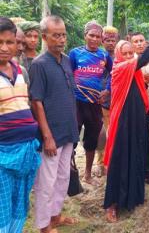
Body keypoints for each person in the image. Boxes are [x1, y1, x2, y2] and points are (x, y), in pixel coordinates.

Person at [102, 21, 149, 223]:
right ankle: (112, 205)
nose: (130, 56)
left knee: (135, 157)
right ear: (118, 55)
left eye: (132, 53)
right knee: (119, 160)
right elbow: (145, 57)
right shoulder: (119, 68)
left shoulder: (135, 72)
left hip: (137, 121)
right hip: (122, 123)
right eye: (126, 53)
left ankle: (131, 198)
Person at [30, 15, 80, 233]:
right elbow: (36, 102)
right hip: (51, 134)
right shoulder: (39, 65)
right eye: (56, 35)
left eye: (63, 35)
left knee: (63, 177)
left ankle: (56, 216)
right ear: (44, 37)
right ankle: (43, 226)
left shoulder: (67, 60)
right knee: (46, 182)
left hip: (68, 129)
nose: (61, 40)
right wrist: (47, 136)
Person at [0, 17, 41, 233]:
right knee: (2, 208)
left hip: (26, 149)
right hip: (3, 154)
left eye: (9, 42)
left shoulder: (20, 71)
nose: (4, 48)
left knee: (20, 204)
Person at [69, 20, 113, 186]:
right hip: (76, 103)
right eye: (91, 35)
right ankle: (71, 175)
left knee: (92, 140)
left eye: (97, 36)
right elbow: (68, 75)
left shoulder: (104, 55)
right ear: (85, 35)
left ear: (101, 38)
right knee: (72, 139)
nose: (94, 39)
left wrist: (107, 90)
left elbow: (113, 73)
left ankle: (87, 174)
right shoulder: (75, 53)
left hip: (95, 104)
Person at [131, 31, 149, 184]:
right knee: (138, 138)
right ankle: (138, 169)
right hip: (137, 107)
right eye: (136, 41)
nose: (140, 43)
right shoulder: (131, 60)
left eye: (142, 40)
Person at [94, 25, 119, 178]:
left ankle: (112, 162)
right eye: (107, 40)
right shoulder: (98, 56)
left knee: (114, 133)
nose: (110, 43)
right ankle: (99, 161)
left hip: (117, 101)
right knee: (100, 132)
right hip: (100, 101)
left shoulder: (121, 56)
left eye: (113, 40)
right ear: (103, 41)